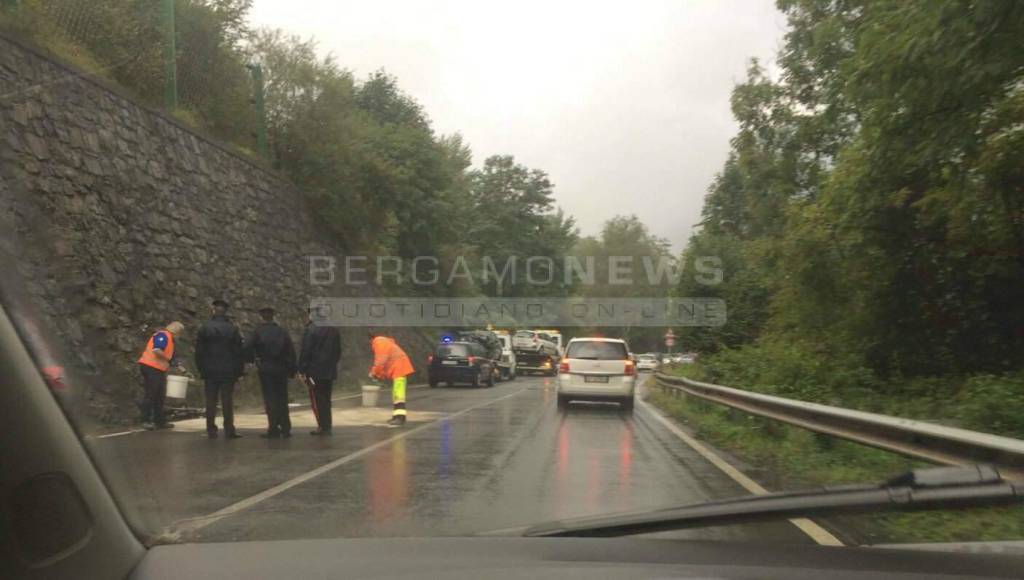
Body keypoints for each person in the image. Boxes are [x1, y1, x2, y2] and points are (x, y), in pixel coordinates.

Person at [195, 299, 245, 439]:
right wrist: (239, 371)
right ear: (225, 312)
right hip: (228, 370)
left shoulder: (205, 327)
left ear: (214, 310)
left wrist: (201, 368)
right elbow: (238, 352)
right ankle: (229, 430)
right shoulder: (232, 329)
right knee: (227, 400)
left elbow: (199, 351)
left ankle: (211, 429)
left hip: (210, 370)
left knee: (210, 400)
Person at [246, 307, 297, 439]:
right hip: (281, 368)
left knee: (270, 399)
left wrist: (253, 361)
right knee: (282, 398)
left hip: (266, 368)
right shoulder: (282, 331)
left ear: (262, 317)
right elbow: (290, 351)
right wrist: (292, 370)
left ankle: (273, 428)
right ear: (273, 317)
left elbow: (247, 347)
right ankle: (286, 428)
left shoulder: (258, 331)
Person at [298, 308, 341, 435]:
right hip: (329, 370)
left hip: (314, 371)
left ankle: (322, 426)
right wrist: (332, 364)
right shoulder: (333, 329)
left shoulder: (311, 329)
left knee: (317, 399)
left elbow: (306, 351)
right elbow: (338, 351)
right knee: (326, 399)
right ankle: (327, 425)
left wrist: (302, 369)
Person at [137, 321, 185, 430]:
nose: (180, 336)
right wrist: (168, 359)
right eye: (180, 333)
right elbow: (157, 350)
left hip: (158, 369)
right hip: (150, 367)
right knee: (151, 394)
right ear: (177, 331)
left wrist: (181, 368)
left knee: (160, 395)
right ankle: (145, 420)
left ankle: (160, 421)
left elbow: (170, 357)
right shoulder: (163, 335)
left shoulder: (170, 339)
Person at [368, 330, 414, 427]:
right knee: (396, 394)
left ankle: (400, 418)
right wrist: (379, 375)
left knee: (399, 395)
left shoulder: (378, 342)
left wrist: (374, 373)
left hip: (399, 368)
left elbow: (380, 361)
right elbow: (384, 363)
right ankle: (397, 416)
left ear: (371, 339)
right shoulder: (384, 342)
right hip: (399, 367)